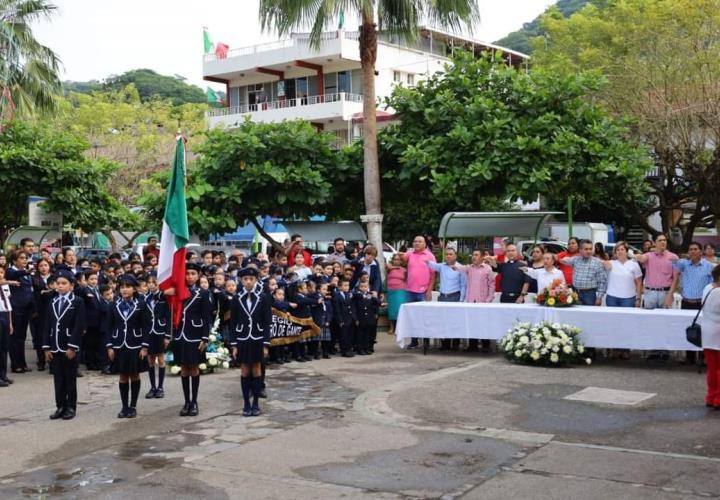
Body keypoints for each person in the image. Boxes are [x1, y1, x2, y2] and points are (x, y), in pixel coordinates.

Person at [169, 262, 212, 417]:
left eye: (193, 274)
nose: (190, 277)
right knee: (184, 368)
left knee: (194, 367)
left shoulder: (204, 293)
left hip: (195, 335)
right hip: (180, 334)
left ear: (198, 275)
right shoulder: (178, 292)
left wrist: (205, 337)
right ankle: (186, 401)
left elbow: (207, 317)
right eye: (187, 274)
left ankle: (194, 402)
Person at [42, 269, 86, 420]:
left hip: (68, 346)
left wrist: (73, 346)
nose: (60, 286)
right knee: (58, 378)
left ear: (71, 286)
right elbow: (47, 325)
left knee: (69, 378)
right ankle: (60, 406)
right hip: (55, 346)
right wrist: (46, 347)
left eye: (63, 283)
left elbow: (79, 326)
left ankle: (70, 407)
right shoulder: (52, 302)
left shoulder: (77, 302)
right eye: (58, 284)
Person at [105, 274, 149, 418]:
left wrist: (144, 347)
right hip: (119, 345)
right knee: (123, 376)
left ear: (135, 289)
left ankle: (133, 406)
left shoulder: (141, 304)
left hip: (135, 345)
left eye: (128, 287)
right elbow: (108, 327)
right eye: (122, 287)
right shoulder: (113, 304)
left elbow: (146, 326)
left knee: (134, 375)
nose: (125, 290)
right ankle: (124, 407)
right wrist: (110, 346)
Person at [229, 267, 272, 417]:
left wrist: (266, 343)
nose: (248, 282)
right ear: (241, 281)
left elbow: (267, 322)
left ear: (256, 280)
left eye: (251, 279)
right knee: (245, 370)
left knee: (257, 369)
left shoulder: (263, 297)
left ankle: (256, 404)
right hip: (242, 339)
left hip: (258, 339)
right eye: (245, 279)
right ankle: (246, 404)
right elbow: (233, 323)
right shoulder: (236, 298)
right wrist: (233, 344)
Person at [674, 242, 714, 364]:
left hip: (702, 304)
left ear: (701, 252)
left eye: (695, 249)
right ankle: (689, 357)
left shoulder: (709, 267)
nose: (692, 251)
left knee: (703, 330)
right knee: (688, 329)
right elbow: (672, 262)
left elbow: (713, 285)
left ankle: (703, 358)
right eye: (690, 249)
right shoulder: (684, 265)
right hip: (686, 302)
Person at [455, 249, 495, 352]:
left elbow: (491, 284)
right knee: (471, 323)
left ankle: (486, 346)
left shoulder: (488, 269)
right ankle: (472, 346)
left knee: (484, 323)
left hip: (483, 301)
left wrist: (489, 299)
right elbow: (458, 268)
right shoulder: (469, 268)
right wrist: (451, 265)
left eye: (476, 255)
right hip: (471, 301)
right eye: (473, 255)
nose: (473, 257)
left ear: (482, 257)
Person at [426, 248, 466, 351]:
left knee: (455, 322)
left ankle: (455, 344)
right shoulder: (441, 266)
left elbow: (463, 285)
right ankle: (445, 344)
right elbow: (429, 263)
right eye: (446, 254)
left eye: (450, 254)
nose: (448, 256)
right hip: (443, 297)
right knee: (443, 321)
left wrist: (461, 300)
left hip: (455, 297)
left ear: (455, 256)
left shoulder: (460, 268)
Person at [402, 235, 436, 349]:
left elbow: (433, 274)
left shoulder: (430, 256)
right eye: (415, 241)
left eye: (419, 242)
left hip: (423, 291)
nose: (416, 243)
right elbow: (399, 257)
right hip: (410, 291)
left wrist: (430, 290)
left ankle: (425, 341)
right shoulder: (410, 254)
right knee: (412, 317)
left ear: (425, 244)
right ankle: (414, 341)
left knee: (424, 317)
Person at [6, 251, 35, 373]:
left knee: (22, 337)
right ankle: (15, 364)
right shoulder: (11, 271)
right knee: (15, 337)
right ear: (14, 260)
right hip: (16, 308)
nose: (24, 260)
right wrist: (27, 271)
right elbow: (14, 275)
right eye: (22, 258)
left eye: (26, 258)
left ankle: (22, 363)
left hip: (26, 308)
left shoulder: (26, 273)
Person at [635, 234, 679, 310]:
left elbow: (676, 279)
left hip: (666, 293)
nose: (663, 242)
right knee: (649, 319)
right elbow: (641, 259)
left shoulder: (673, 257)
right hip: (650, 293)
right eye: (660, 240)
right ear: (654, 243)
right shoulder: (648, 256)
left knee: (665, 319)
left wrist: (670, 294)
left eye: (664, 240)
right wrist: (634, 255)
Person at [144, 274, 170, 398]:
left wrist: (167, 335)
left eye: (153, 282)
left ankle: (160, 387)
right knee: (150, 359)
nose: (151, 285)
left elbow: (168, 317)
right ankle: (152, 387)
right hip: (149, 332)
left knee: (160, 358)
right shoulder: (144, 298)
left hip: (160, 331)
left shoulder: (163, 297)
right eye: (148, 282)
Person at [559, 240, 608, 306]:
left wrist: (599, 298)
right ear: (580, 250)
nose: (589, 251)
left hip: (589, 295)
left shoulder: (598, 263)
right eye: (586, 249)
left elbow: (602, 282)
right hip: (575, 293)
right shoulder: (575, 259)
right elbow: (563, 260)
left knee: (589, 315)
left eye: (590, 249)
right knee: (576, 315)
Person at [700, 265, 720, 409]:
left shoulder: (708, 288)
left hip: (707, 332)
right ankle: (718, 399)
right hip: (718, 332)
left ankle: (710, 396)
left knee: (712, 368)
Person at [602, 241, 643, 308]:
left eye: (622, 249)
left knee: (627, 318)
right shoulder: (610, 263)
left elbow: (639, 282)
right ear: (615, 253)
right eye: (617, 250)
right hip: (612, 298)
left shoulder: (634, 264)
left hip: (629, 298)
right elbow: (598, 261)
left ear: (626, 251)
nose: (620, 251)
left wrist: (638, 298)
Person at [352, 281, 383, 355]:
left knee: (367, 334)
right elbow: (354, 309)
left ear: (368, 287)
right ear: (359, 288)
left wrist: (381, 303)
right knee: (360, 334)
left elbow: (375, 301)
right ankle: (360, 348)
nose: (363, 288)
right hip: (360, 318)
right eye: (362, 287)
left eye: (365, 287)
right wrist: (355, 319)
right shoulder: (357, 296)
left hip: (368, 318)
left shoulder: (370, 295)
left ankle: (366, 348)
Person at [332, 278, 356, 357]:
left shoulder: (349, 294)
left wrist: (354, 318)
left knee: (350, 335)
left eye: (348, 285)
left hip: (350, 318)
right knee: (343, 335)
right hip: (343, 319)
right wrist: (340, 320)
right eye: (345, 285)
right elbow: (337, 309)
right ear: (339, 287)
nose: (347, 287)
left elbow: (352, 307)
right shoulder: (337, 295)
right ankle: (344, 350)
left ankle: (349, 349)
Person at [385, 254, 407, 336]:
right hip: (391, 291)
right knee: (391, 310)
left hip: (400, 290)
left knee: (399, 310)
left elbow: (406, 280)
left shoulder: (404, 270)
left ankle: (398, 329)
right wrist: (394, 267)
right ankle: (391, 328)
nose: (397, 261)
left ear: (401, 261)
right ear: (392, 260)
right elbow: (387, 267)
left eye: (398, 260)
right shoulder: (389, 268)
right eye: (395, 259)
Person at [0, 266, 14, 388]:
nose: (0, 274)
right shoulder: (4, 283)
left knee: (4, 348)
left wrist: (10, 323)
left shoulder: (5, 285)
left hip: (5, 315)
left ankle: (3, 375)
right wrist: (10, 281)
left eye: (1, 272)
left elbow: (8, 305)